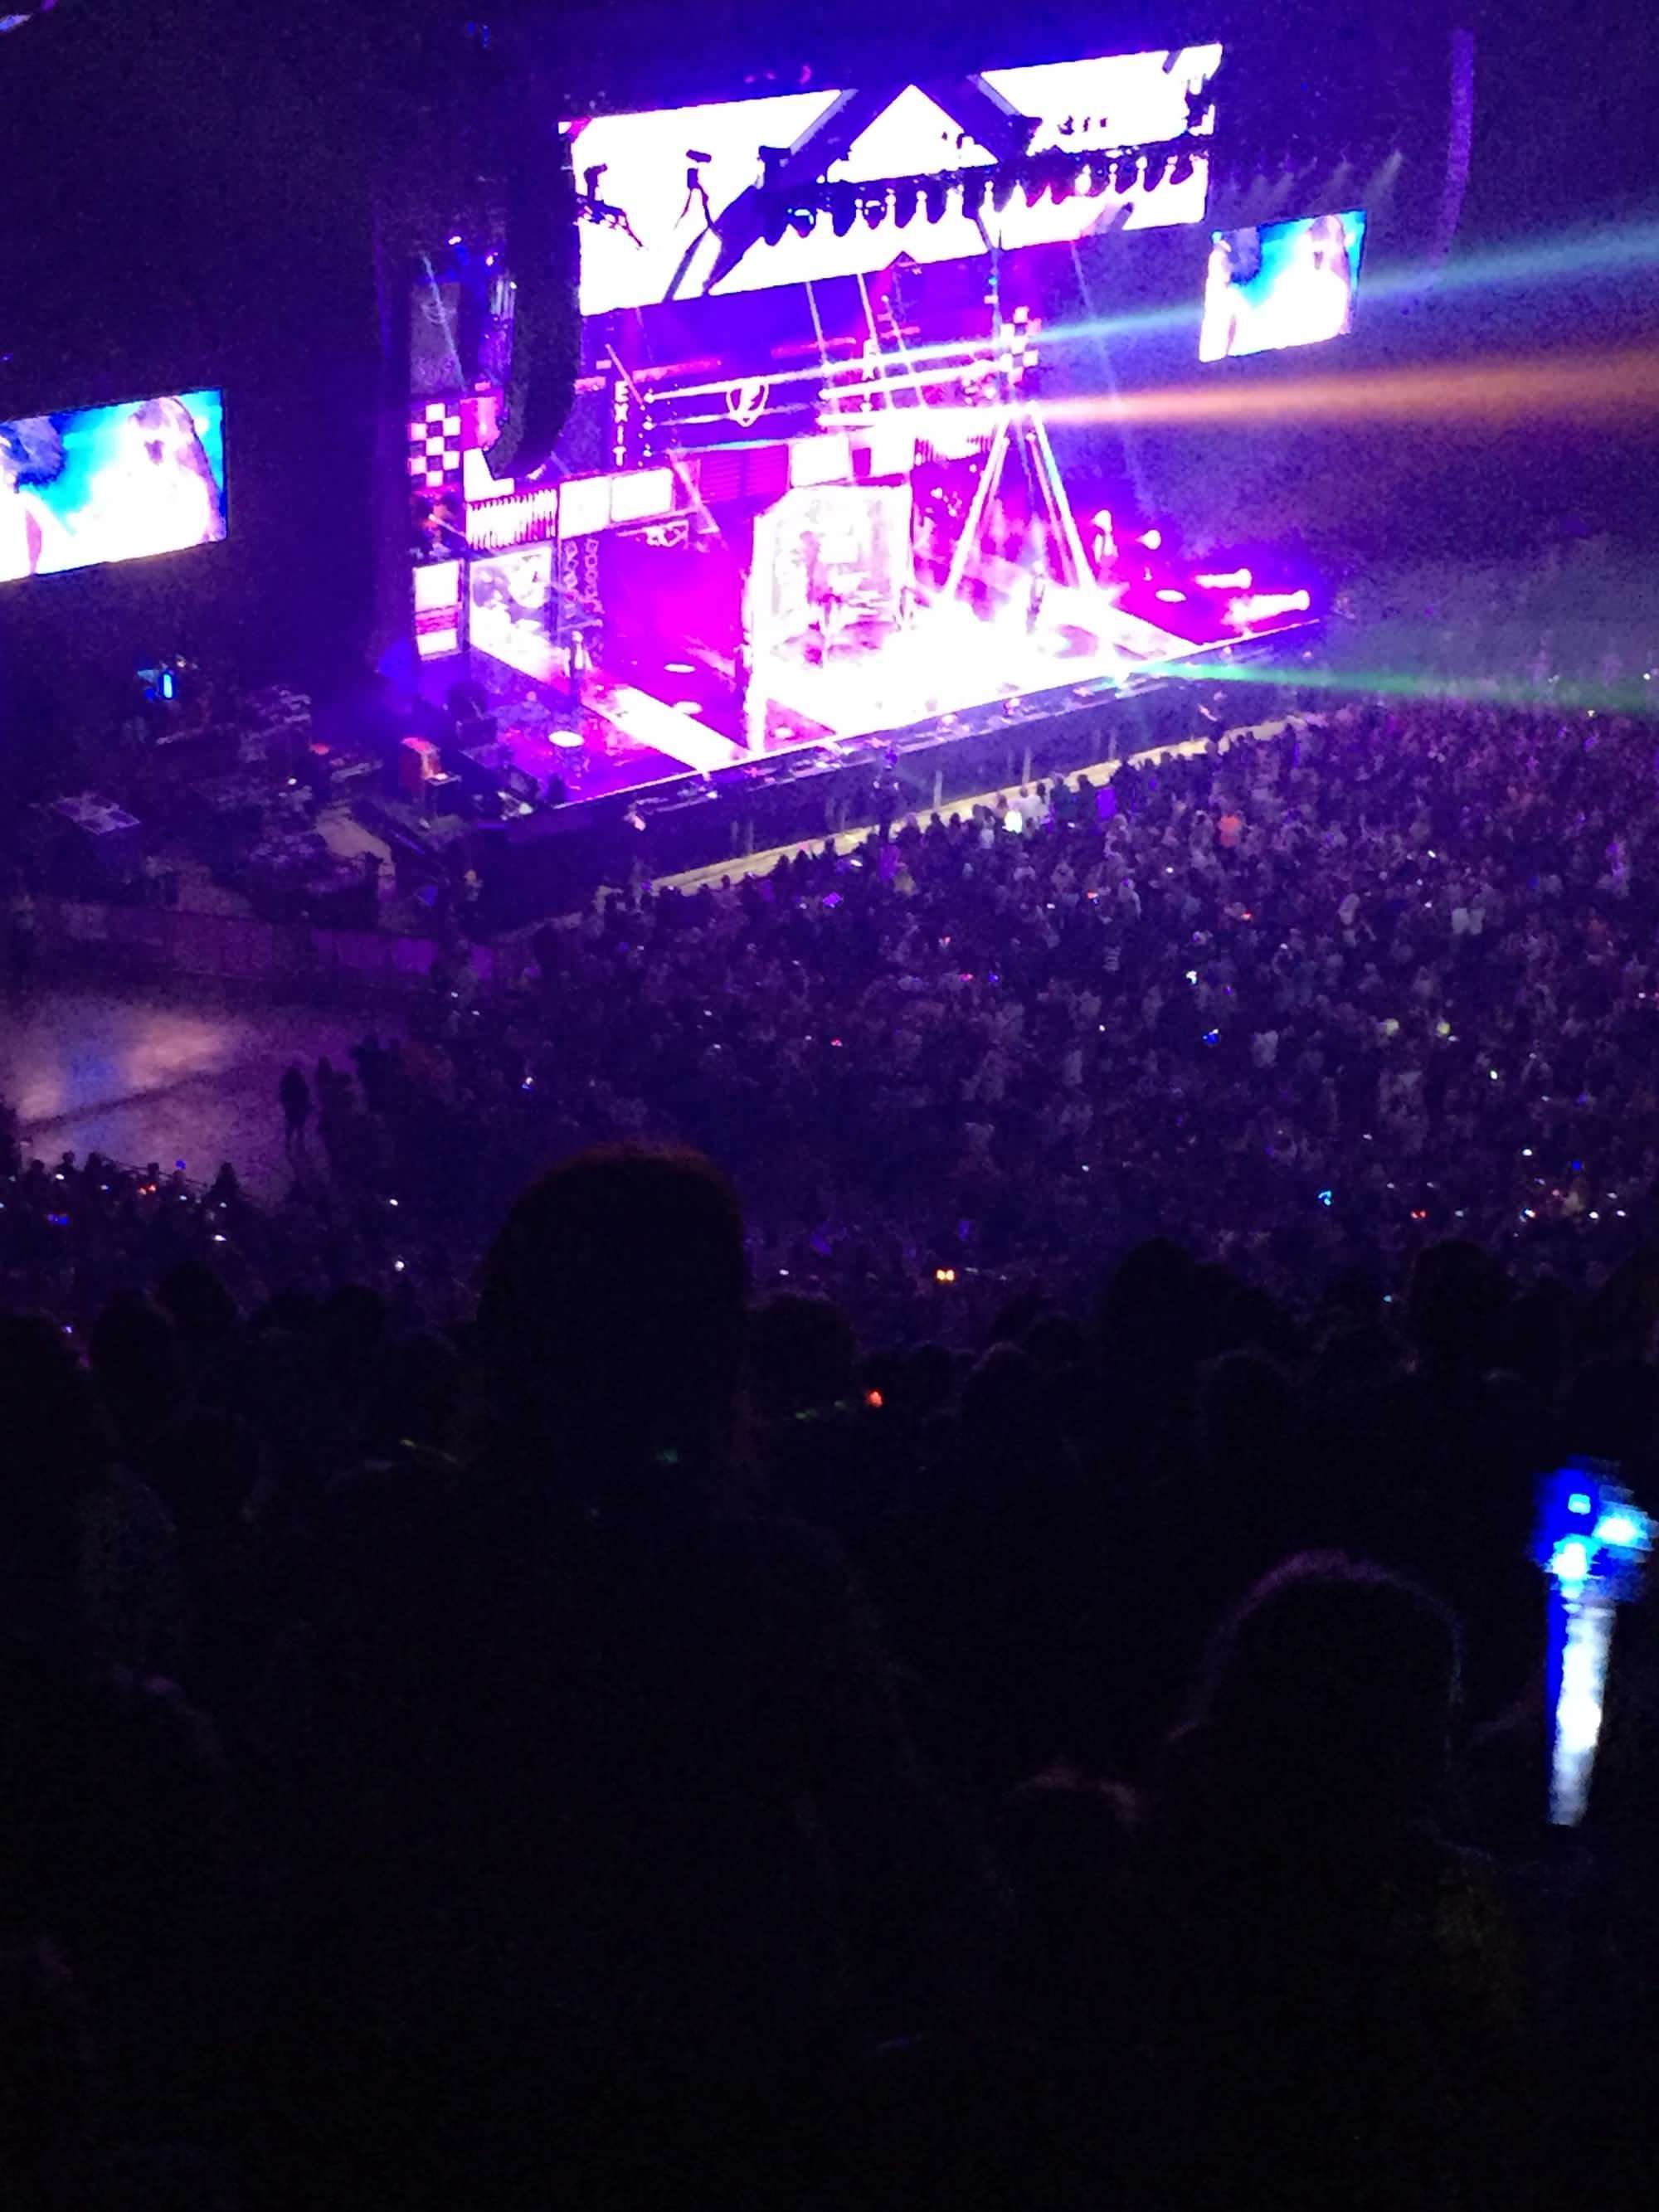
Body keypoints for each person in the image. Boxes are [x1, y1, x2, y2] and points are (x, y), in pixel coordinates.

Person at [278, 1063, 311, 1154]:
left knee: (292, 1128)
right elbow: (306, 1093)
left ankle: (290, 1144)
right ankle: (298, 1144)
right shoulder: (299, 1081)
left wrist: (286, 1106)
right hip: (298, 1108)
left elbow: (282, 1096)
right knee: (298, 1128)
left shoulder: (286, 1082)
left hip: (293, 1109)